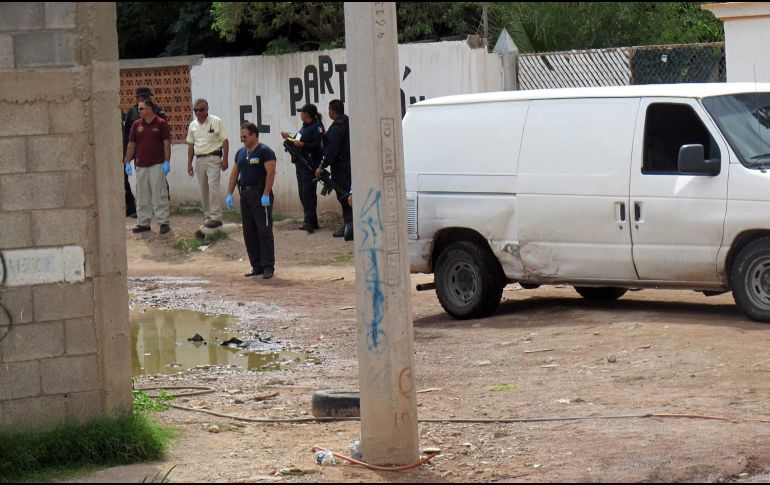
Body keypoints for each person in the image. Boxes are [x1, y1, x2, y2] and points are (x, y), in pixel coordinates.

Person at [227, 122, 277, 280]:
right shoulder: (241, 153)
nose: (243, 139)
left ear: (254, 135)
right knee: (249, 231)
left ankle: (268, 266)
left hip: (260, 194)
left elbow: (270, 174)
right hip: (246, 194)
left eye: (245, 136)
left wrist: (266, 194)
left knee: (264, 230)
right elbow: (235, 174)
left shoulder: (265, 152)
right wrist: (229, 193)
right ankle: (256, 265)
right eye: (241, 137)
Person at [123, 99, 173, 234]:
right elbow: (131, 144)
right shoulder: (136, 125)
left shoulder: (161, 124)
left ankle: (163, 222)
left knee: (159, 194)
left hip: (157, 165)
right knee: (142, 195)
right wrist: (127, 161)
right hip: (141, 165)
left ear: (150, 108)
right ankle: (143, 222)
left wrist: (167, 161)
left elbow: (166, 143)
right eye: (139, 109)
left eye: (142, 108)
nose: (139, 111)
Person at [186, 98, 230, 228]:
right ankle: (208, 216)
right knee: (204, 189)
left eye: (201, 110)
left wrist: (225, 159)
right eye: (196, 110)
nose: (198, 113)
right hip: (199, 159)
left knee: (213, 187)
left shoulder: (216, 121)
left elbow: (225, 141)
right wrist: (189, 163)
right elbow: (190, 145)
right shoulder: (192, 125)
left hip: (213, 158)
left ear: (207, 109)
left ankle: (216, 217)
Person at [281, 103, 325, 233]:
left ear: (307, 114)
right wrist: (288, 138)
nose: (300, 114)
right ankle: (312, 220)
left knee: (308, 193)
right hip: (300, 164)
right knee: (303, 192)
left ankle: (309, 222)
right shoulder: (304, 128)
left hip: (310, 165)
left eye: (302, 112)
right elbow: (296, 141)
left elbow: (318, 145)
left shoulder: (317, 127)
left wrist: (303, 145)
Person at [123, 86, 171, 201]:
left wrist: (166, 160)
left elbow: (166, 137)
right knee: (142, 184)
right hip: (139, 155)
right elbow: (128, 138)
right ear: (138, 97)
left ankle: (163, 203)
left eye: (148, 96)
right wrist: (127, 159)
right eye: (145, 96)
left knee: (159, 183)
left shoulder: (157, 111)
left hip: (157, 156)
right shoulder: (132, 112)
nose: (147, 98)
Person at [315, 99, 352, 238]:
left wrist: (321, 166)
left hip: (341, 168)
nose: (328, 113)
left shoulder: (337, 127)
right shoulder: (347, 122)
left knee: (344, 196)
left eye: (329, 110)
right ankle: (350, 224)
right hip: (348, 166)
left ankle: (349, 226)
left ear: (333, 111)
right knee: (348, 195)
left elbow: (332, 150)